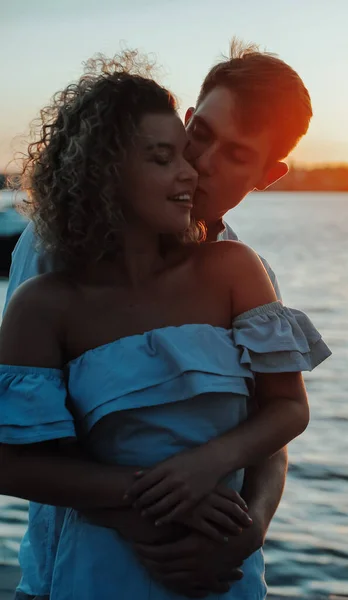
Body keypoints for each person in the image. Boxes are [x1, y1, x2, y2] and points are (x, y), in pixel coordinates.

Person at [0, 43, 321, 599]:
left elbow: (272, 419)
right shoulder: (55, 256)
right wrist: (150, 523)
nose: (200, 163)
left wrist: (251, 528)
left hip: (220, 570)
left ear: (268, 175)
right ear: (186, 120)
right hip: (72, 572)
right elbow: (33, 431)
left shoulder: (245, 271)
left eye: (237, 155)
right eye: (201, 135)